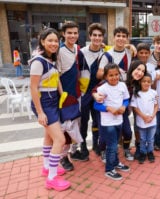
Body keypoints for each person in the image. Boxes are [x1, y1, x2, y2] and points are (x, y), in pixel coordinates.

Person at [30, 28, 70, 191]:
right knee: (59, 140)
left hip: (53, 100)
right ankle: (51, 178)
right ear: (42, 41)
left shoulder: (51, 59)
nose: (54, 44)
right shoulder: (38, 61)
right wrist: (40, 112)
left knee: (49, 136)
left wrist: (62, 94)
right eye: (50, 41)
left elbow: (56, 79)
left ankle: (46, 167)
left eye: (56, 41)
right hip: (44, 102)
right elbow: (33, 88)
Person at [97, 26, 134, 161]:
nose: (121, 38)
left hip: (122, 94)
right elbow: (99, 73)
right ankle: (103, 151)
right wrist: (114, 71)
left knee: (126, 129)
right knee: (106, 129)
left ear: (127, 39)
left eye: (124, 36)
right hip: (108, 97)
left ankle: (125, 149)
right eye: (118, 36)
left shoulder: (130, 53)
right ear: (113, 38)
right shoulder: (107, 55)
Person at [93, 63, 130, 181]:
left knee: (115, 144)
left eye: (116, 75)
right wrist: (108, 108)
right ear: (105, 77)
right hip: (107, 122)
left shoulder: (122, 86)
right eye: (110, 75)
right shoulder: (102, 88)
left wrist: (124, 107)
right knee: (112, 145)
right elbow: (96, 105)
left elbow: (126, 99)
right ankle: (109, 169)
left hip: (119, 120)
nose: (114, 77)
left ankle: (116, 162)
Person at [76, 23, 106, 158]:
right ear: (90, 36)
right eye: (94, 35)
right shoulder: (81, 52)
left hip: (98, 91)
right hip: (84, 92)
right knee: (83, 121)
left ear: (103, 37)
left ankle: (96, 144)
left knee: (97, 120)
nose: (97, 38)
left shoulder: (105, 53)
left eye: (100, 35)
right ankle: (83, 146)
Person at [56, 21, 83, 171]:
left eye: (75, 33)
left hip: (77, 94)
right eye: (69, 33)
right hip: (65, 96)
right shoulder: (59, 51)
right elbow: (56, 75)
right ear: (63, 34)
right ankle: (63, 157)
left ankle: (74, 151)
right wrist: (62, 95)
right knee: (65, 128)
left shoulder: (77, 49)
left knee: (76, 125)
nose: (72, 35)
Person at [131, 73, 158, 164]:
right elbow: (135, 108)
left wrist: (152, 116)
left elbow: (156, 106)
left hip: (152, 121)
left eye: (148, 82)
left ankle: (150, 152)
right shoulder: (137, 94)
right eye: (144, 81)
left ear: (151, 82)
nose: (146, 83)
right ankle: (142, 152)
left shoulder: (154, 93)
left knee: (150, 139)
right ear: (140, 82)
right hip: (141, 121)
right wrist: (143, 116)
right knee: (142, 139)